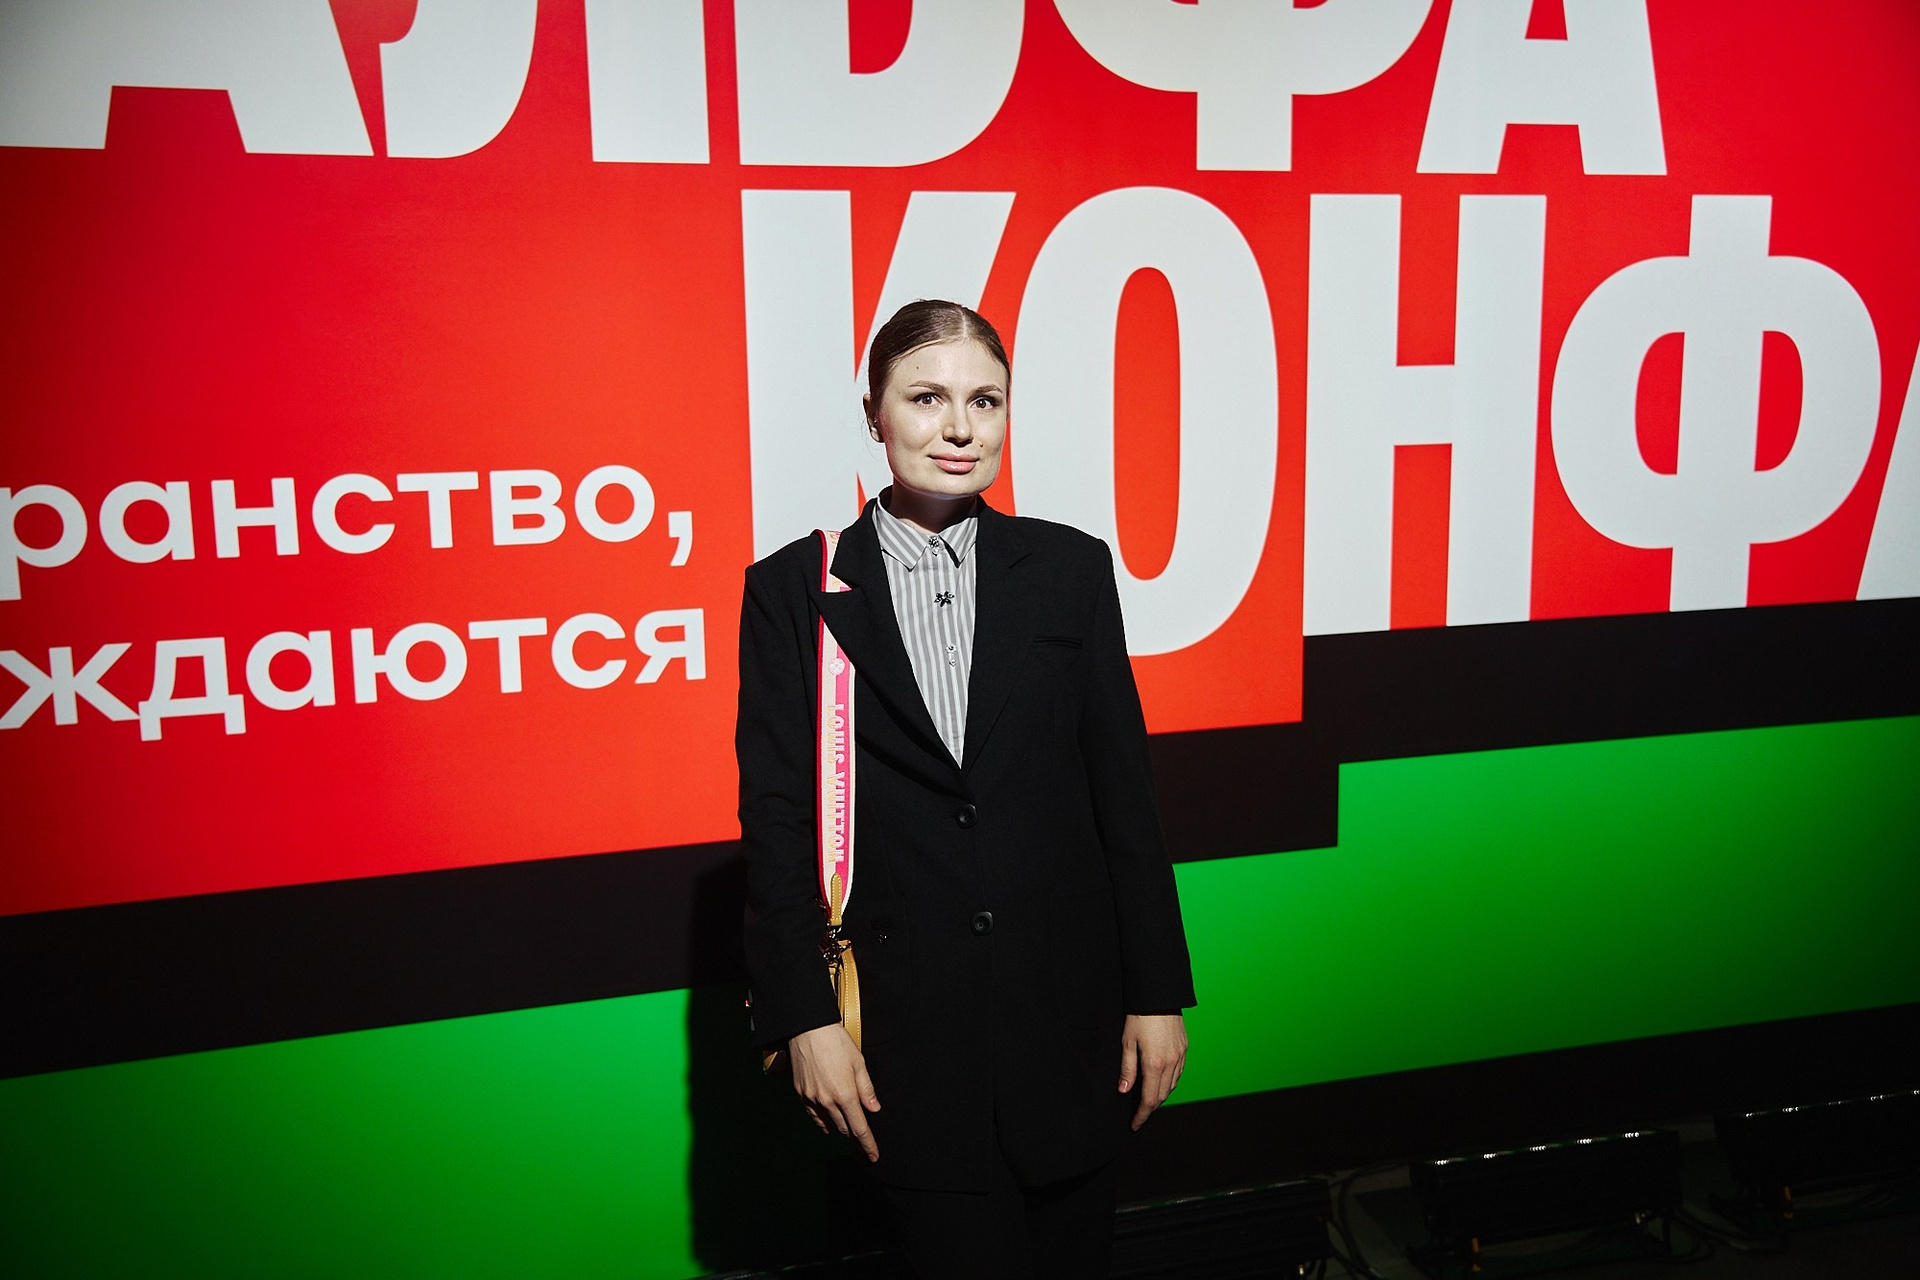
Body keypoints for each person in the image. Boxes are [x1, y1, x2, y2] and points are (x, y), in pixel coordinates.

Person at [737, 299, 1195, 1278]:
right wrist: (802, 1016)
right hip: (909, 1048)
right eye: (927, 398)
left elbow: (1124, 795)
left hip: (1070, 1029)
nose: (959, 428)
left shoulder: (1069, 568)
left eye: (985, 400)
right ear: (874, 413)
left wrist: (1158, 991)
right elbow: (775, 820)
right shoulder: (794, 589)